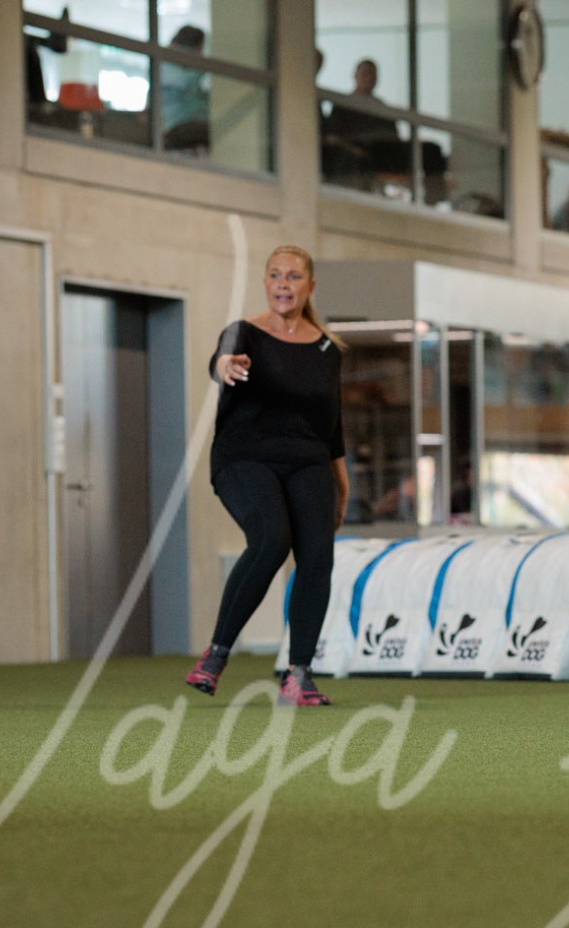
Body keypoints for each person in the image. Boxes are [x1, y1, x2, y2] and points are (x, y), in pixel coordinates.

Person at [185, 245, 350, 707]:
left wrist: (341, 485)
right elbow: (221, 360)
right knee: (272, 539)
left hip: (309, 460)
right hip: (245, 457)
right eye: (275, 275)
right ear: (265, 282)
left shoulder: (327, 349)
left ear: (310, 286)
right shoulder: (244, 334)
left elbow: (332, 425)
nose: (283, 284)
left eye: (293, 277)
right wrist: (224, 366)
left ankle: (299, 677)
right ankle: (216, 655)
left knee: (317, 557)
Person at [321, 58, 406, 187]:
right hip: (353, 159)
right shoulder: (343, 106)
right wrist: (353, 150)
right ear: (355, 76)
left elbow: (394, 138)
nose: (369, 78)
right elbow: (334, 136)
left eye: (373, 75)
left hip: (381, 156)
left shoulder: (382, 109)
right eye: (366, 73)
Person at [158, 26, 210, 153]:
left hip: (190, 123)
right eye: (200, 49)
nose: (201, 53)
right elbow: (184, 82)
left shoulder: (186, 73)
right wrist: (200, 65)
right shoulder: (165, 65)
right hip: (175, 126)